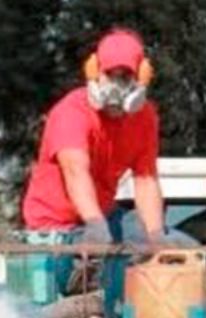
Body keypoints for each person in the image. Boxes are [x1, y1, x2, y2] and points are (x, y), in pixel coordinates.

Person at [21, 28, 165, 247]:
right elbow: (75, 171)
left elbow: (145, 179)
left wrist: (156, 238)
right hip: (53, 226)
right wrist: (95, 224)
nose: (116, 88)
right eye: (110, 75)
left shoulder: (145, 118)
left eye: (125, 77)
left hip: (104, 215)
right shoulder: (71, 111)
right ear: (94, 72)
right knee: (80, 269)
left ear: (141, 77)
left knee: (181, 246)